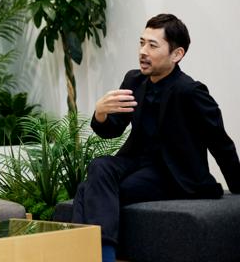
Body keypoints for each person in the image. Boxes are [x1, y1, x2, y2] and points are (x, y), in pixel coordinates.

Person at [72, 14, 240, 262]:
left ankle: (96, 255)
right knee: (99, 165)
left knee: (87, 190)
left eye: (152, 45)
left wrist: (237, 187)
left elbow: (220, 142)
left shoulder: (190, 91)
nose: (143, 51)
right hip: (135, 161)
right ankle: (95, 255)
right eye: (141, 43)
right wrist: (100, 113)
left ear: (177, 54)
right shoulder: (134, 80)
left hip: (172, 173)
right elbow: (113, 129)